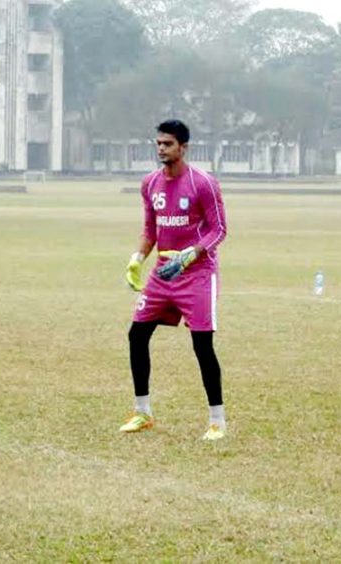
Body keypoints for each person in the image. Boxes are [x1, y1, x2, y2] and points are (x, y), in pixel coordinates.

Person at [121, 120, 228, 441]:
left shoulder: (203, 183)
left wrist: (190, 255)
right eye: (158, 143)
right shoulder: (150, 183)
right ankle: (143, 413)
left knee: (202, 345)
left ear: (183, 147)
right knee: (136, 336)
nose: (161, 149)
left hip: (197, 273)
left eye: (167, 144)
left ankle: (217, 422)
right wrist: (137, 259)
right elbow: (151, 230)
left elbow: (218, 229)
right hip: (162, 272)